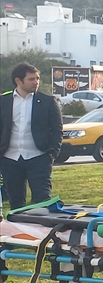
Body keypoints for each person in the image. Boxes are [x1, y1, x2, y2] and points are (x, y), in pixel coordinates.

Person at [0, 63, 62, 210]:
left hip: (39, 157)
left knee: (42, 200)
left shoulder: (47, 101)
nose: (36, 82)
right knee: (15, 202)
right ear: (18, 81)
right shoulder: (4, 101)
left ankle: (42, 232)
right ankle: (20, 231)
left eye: (37, 78)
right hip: (10, 159)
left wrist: (52, 153)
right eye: (31, 79)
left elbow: (57, 129)